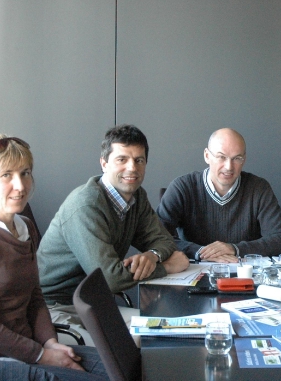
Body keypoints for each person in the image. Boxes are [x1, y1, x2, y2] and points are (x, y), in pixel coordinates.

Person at [0, 135, 107, 380]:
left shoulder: (25, 227)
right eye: (6, 175)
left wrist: (50, 343)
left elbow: (35, 297)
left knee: (126, 367)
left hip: (28, 349)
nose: (20, 185)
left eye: (25, 173)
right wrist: (40, 355)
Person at [37, 124, 189, 317]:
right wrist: (165, 267)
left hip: (94, 302)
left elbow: (165, 240)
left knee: (166, 325)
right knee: (152, 331)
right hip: (57, 307)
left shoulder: (137, 196)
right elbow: (109, 279)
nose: (132, 168)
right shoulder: (86, 205)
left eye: (139, 160)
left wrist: (152, 256)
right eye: (122, 159)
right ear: (104, 164)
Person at [157, 128, 281, 263]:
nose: (229, 167)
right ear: (207, 156)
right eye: (221, 157)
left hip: (243, 270)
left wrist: (235, 249)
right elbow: (158, 238)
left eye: (237, 158)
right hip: (194, 271)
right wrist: (200, 252)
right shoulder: (183, 187)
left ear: (244, 159)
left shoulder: (258, 188)